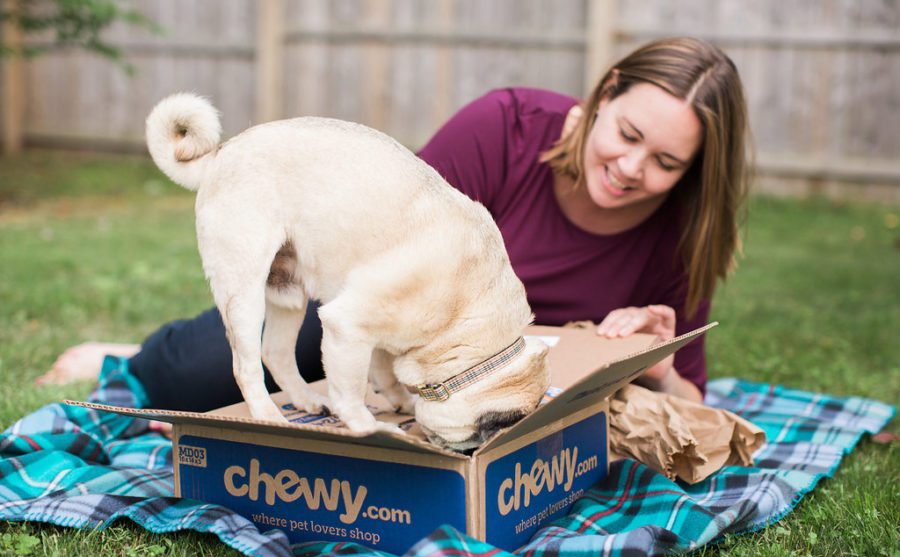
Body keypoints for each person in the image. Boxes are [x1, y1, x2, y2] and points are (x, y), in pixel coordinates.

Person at [39, 36, 749, 410]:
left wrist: (655, 365)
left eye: (664, 162)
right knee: (197, 378)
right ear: (606, 93)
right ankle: (124, 356)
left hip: (519, 378)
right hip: (387, 321)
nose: (630, 169)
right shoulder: (505, 129)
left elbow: (690, 394)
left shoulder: (681, 232)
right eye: (625, 134)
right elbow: (373, 243)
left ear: (692, 172)